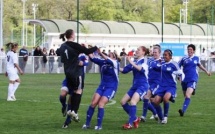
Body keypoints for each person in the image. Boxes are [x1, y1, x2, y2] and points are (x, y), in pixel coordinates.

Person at [57, 29, 98, 126]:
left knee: (72, 94)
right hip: (76, 73)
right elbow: (88, 51)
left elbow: (59, 53)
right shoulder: (75, 45)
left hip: (67, 73)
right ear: (72, 35)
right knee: (78, 91)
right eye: (74, 34)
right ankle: (73, 111)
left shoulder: (63, 46)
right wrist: (96, 47)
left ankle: (70, 113)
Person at [82, 49, 119, 130]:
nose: (109, 55)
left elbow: (108, 59)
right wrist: (87, 49)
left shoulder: (115, 63)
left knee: (101, 104)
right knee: (93, 103)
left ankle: (99, 125)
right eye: (109, 55)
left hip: (111, 87)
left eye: (111, 55)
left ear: (115, 58)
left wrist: (100, 53)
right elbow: (92, 58)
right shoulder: (103, 62)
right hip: (102, 86)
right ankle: (87, 124)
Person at [120, 46, 148, 130]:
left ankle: (130, 124)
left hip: (143, 85)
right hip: (135, 86)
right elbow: (124, 70)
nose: (137, 51)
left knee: (133, 102)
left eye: (138, 50)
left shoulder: (145, 61)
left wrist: (131, 62)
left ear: (143, 52)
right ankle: (135, 118)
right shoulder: (135, 61)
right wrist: (114, 65)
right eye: (137, 50)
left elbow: (141, 69)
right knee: (123, 102)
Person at [178, 44, 211, 117]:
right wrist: (179, 76)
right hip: (184, 79)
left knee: (187, 95)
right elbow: (178, 67)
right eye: (188, 49)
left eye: (191, 49)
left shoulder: (196, 58)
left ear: (193, 51)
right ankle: (193, 90)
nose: (189, 51)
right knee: (185, 96)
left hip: (193, 78)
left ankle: (182, 111)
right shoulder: (183, 58)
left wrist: (206, 71)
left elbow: (200, 66)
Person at [61, 45, 89, 128]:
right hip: (70, 77)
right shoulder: (72, 55)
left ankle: (68, 120)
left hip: (79, 78)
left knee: (73, 97)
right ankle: (67, 109)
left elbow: (87, 62)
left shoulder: (83, 56)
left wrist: (82, 63)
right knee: (65, 97)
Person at [152, 49, 183, 124]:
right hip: (162, 86)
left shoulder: (174, 64)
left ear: (170, 56)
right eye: (164, 55)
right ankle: (161, 117)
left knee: (166, 98)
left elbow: (180, 73)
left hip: (171, 86)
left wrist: (180, 78)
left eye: (166, 55)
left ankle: (165, 117)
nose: (164, 56)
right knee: (155, 101)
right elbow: (156, 67)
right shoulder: (162, 63)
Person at [140, 46, 162, 122]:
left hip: (156, 83)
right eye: (153, 52)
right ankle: (155, 113)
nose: (154, 53)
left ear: (159, 53)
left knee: (146, 97)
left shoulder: (161, 61)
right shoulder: (150, 61)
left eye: (156, 52)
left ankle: (143, 116)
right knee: (147, 99)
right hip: (148, 82)